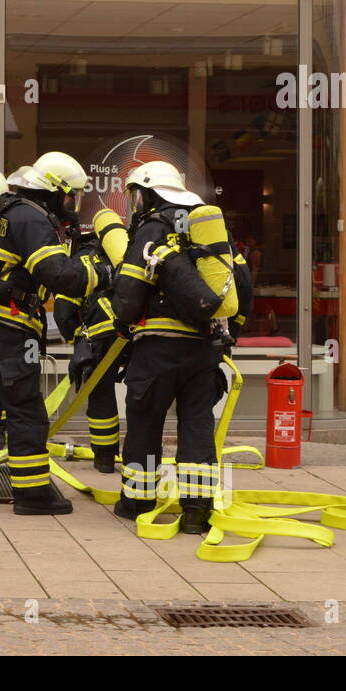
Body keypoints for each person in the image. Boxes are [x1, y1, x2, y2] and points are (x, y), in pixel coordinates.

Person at [0, 151, 100, 516]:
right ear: (56, 191)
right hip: (9, 325)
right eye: (72, 196)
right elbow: (58, 275)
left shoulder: (10, 211)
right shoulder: (32, 218)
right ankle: (33, 493)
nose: (73, 205)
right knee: (27, 408)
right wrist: (97, 270)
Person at [109, 160, 228, 535]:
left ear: (146, 193)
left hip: (158, 348)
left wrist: (121, 321)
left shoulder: (151, 228)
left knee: (145, 422)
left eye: (134, 195)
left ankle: (137, 502)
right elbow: (233, 283)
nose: (134, 203)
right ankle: (196, 511)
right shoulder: (205, 225)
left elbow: (128, 297)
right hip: (204, 347)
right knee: (196, 424)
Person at [53, 208, 128, 474]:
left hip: (100, 337)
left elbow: (63, 311)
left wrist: (77, 338)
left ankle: (105, 459)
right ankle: (139, 456)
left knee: (101, 393)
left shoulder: (81, 259)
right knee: (142, 395)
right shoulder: (128, 255)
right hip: (133, 333)